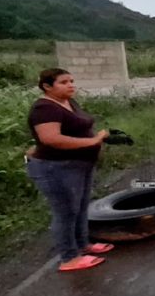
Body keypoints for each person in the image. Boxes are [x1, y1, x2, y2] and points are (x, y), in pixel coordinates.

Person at [26, 68, 113, 272]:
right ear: (47, 86)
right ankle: (69, 257)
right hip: (55, 168)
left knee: (81, 207)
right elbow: (51, 139)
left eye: (71, 81)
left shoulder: (68, 102)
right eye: (63, 82)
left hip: (79, 165)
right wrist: (93, 141)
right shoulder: (44, 109)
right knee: (65, 211)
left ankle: (83, 245)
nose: (70, 85)